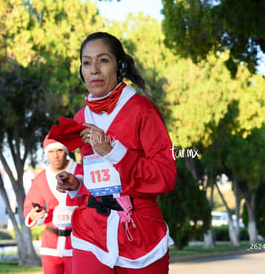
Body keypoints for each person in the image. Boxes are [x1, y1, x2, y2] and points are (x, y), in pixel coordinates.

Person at [55, 32, 177, 274]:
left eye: (103, 60)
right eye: (87, 63)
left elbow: (166, 176)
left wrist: (112, 151)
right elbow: (97, 174)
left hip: (140, 235)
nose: (94, 70)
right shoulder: (80, 118)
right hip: (90, 232)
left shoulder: (143, 110)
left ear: (119, 66)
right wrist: (78, 183)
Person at [23, 135, 84, 274]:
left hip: (78, 241)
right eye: (50, 152)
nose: (55, 156)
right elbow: (29, 206)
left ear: (66, 151)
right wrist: (32, 215)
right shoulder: (40, 178)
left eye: (59, 151)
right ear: (46, 153)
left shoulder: (81, 171)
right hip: (51, 244)